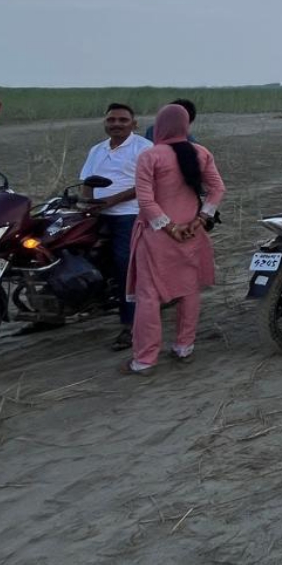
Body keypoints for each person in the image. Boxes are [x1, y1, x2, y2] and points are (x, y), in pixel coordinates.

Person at [120, 104, 226, 375]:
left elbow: (145, 198)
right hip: (193, 234)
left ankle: (144, 359)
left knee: (148, 296)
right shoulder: (201, 153)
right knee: (189, 291)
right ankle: (184, 346)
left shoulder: (150, 155)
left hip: (158, 236)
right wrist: (201, 219)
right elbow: (217, 189)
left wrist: (168, 227)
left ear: (159, 126)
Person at [82, 103, 154, 349]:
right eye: (111, 120)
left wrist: (111, 200)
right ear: (105, 123)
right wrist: (86, 203)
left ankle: (130, 324)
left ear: (133, 124)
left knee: (125, 266)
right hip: (96, 213)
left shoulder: (144, 148)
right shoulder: (97, 150)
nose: (116, 124)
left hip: (130, 214)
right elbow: (87, 182)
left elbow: (146, 186)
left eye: (123, 120)